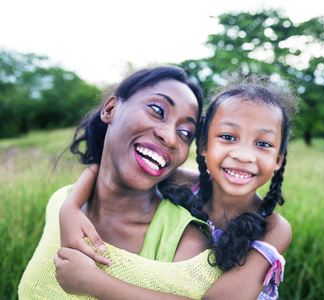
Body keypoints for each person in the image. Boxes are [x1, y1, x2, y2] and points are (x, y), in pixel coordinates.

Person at [53, 74, 298, 299]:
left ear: (278, 160)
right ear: (203, 145)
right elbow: (105, 169)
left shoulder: (273, 227)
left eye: (263, 144)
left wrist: (92, 281)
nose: (244, 155)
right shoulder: (184, 182)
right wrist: (70, 208)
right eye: (228, 137)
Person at [18, 66, 225, 300]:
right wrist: (70, 205)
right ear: (110, 109)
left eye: (186, 133)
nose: (170, 137)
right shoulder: (61, 203)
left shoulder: (185, 245)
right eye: (157, 110)